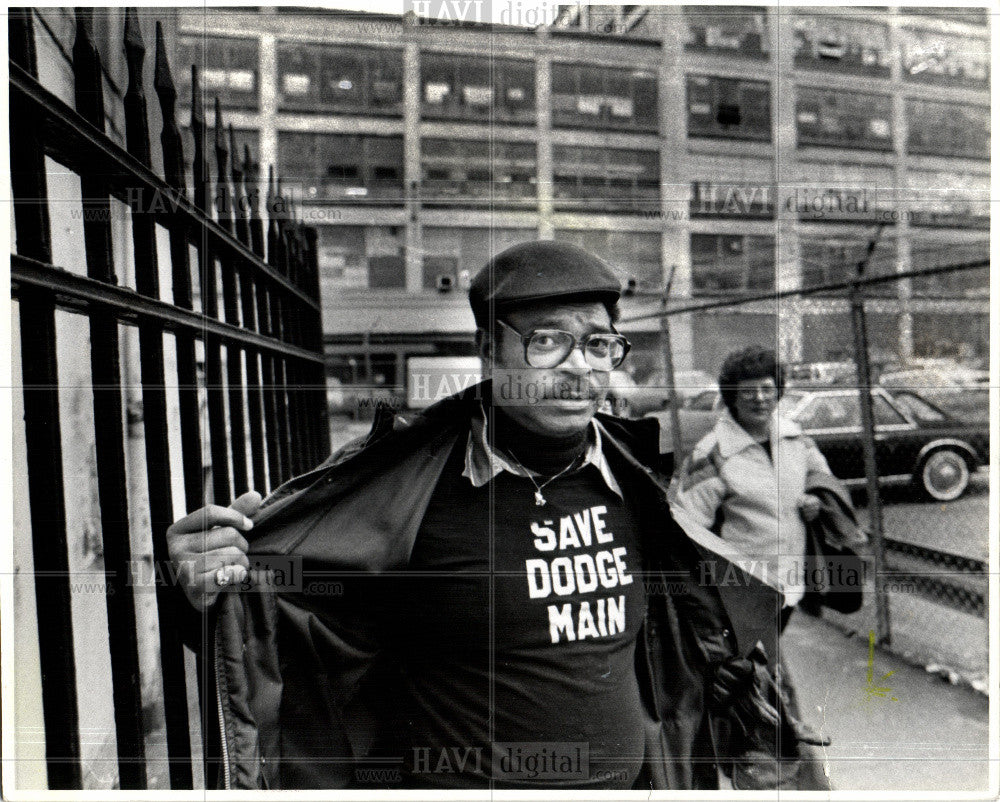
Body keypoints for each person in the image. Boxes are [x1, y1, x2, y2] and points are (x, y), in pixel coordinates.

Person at [167, 241, 790, 790]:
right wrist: (203, 591)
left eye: (600, 344)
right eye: (548, 341)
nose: (580, 366)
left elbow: (682, 631)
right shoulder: (410, 492)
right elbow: (275, 627)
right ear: (489, 351)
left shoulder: (636, 477)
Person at [673, 345, 837, 788]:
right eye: (749, 392)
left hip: (788, 586)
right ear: (731, 397)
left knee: (745, 680)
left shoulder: (797, 438)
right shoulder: (714, 452)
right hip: (739, 592)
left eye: (768, 389)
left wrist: (816, 500)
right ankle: (796, 778)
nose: (761, 399)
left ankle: (737, 760)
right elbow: (686, 525)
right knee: (769, 679)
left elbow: (823, 479)